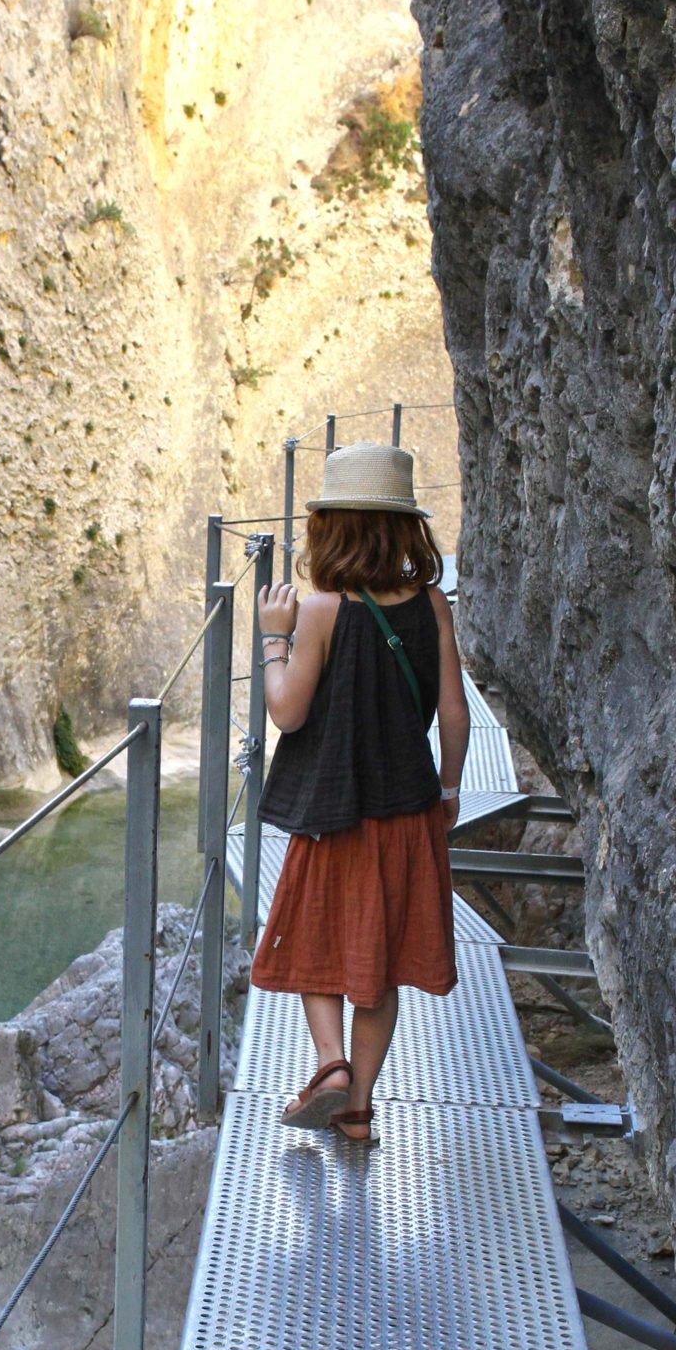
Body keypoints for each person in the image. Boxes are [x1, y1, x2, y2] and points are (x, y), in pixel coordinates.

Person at [248, 440, 470, 1146]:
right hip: (408, 812)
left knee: (320, 943)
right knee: (382, 966)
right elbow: (455, 709)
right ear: (407, 528)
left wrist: (272, 640)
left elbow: (286, 711)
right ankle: (359, 1108)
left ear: (329, 528)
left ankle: (329, 1062)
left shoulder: (318, 611)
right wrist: (451, 786)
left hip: (332, 814)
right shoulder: (432, 602)